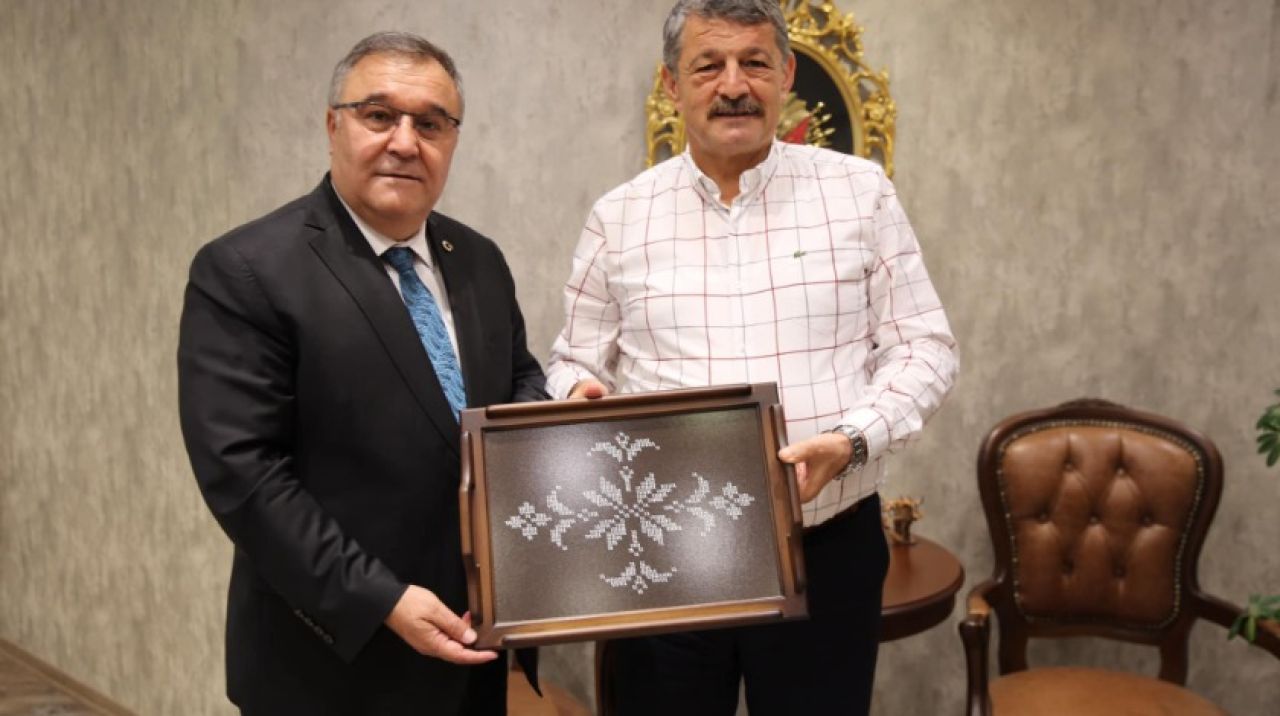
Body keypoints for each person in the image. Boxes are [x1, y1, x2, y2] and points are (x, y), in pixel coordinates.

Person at [545, 0, 958, 713]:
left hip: (825, 550)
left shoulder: (859, 194)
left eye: (754, 63)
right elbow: (572, 361)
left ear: (786, 74)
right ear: (673, 85)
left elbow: (925, 347)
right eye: (709, 65)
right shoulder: (619, 217)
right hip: (665, 557)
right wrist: (580, 400)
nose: (733, 85)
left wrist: (852, 441)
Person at [178, 32, 545, 715]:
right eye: (379, 116)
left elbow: (517, 377)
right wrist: (380, 600)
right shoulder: (248, 271)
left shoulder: (479, 260)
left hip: (474, 651)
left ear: (452, 140)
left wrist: (560, 424)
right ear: (333, 125)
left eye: (431, 123)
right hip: (330, 662)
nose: (405, 142)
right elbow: (245, 475)